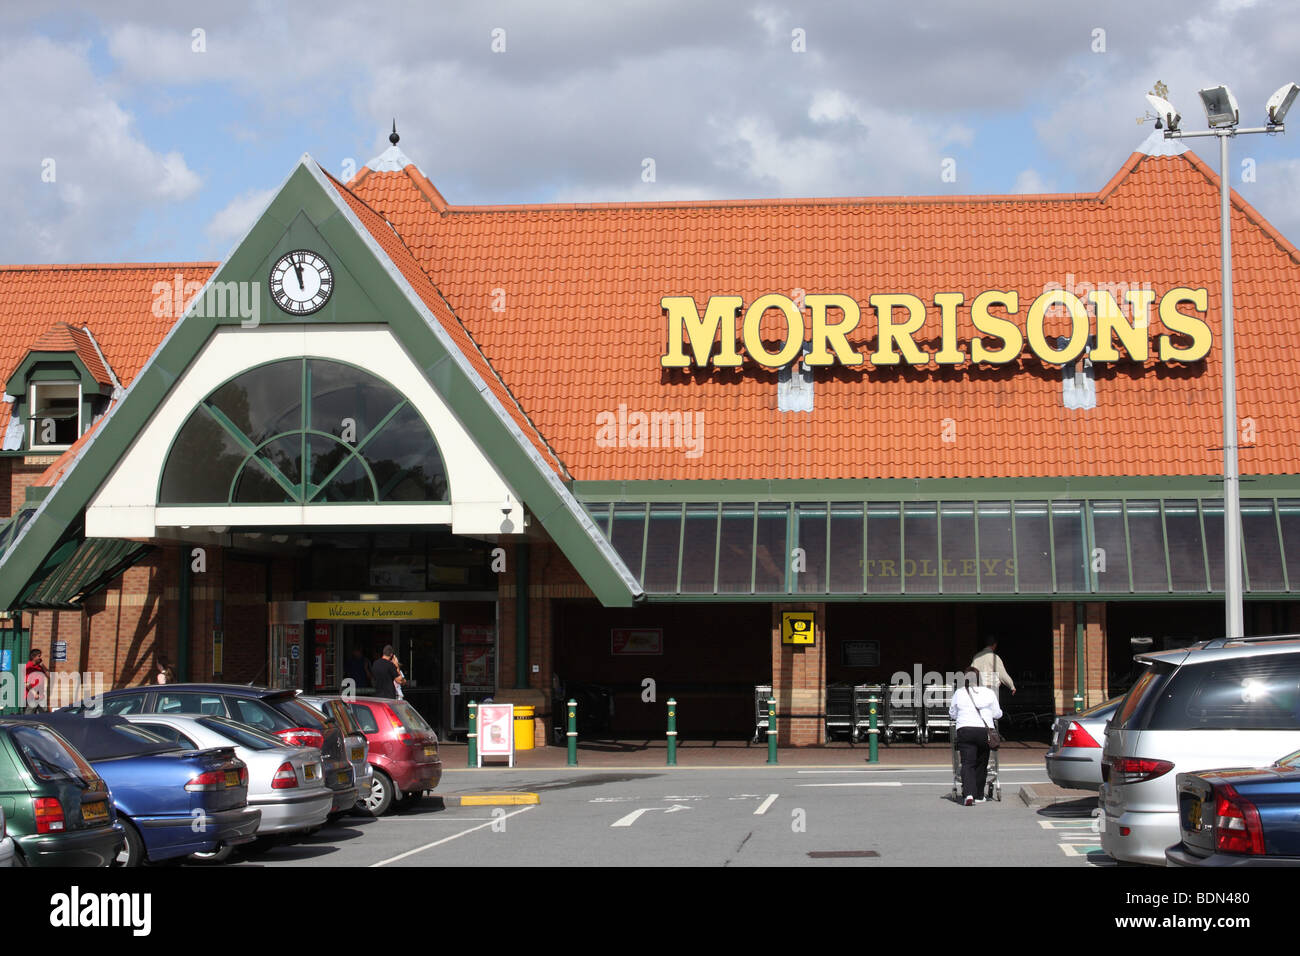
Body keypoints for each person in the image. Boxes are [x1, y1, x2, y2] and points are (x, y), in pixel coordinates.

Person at [950, 669, 1002, 806]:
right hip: (985, 731)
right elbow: (997, 713)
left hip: (965, 730)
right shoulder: (989, 693)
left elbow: (953, 713)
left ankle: (968, 794)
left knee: (967, 763)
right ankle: (979, 794)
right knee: (981, 762)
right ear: (979, 679)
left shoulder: (959, 693)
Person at [24, 648, 48, 713]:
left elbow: (49, 676)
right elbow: (26, 683)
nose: (40, 658)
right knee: (29, 716)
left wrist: (43, 666)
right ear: (33, 657)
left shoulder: (40, 666)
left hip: (41, 695)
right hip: (32, 696)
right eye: (39, 656)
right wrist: (34, 693)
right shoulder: (28, 667)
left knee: (44, 716)